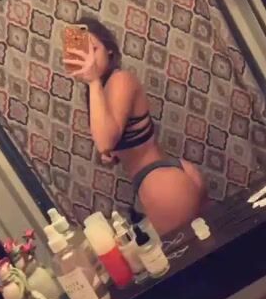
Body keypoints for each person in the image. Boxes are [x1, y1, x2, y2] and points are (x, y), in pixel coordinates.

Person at [63, 16, 207, 236]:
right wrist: (113, 153)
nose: (89, 59)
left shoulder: (119, 80)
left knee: (201, 254)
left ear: (109, 50)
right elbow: (117, 138)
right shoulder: (106, 88)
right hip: (166, 176)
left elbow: (105, 140)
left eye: (94, 50)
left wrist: (92, 81)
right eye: (83, 54)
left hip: (163, 186)